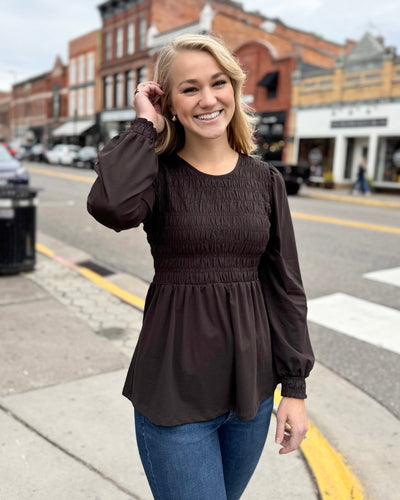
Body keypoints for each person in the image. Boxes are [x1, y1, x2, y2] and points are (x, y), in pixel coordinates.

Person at [87, 34, 314, 500]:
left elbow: (285, 286)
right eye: (189, 89)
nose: (208, 99)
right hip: (174, 395)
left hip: (250, 394)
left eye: (218, 83)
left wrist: (295, 387)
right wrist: (144, 126)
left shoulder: (265, 180)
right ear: (169, 102)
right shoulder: (156, 175)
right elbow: (112, 205)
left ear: (234, 88)